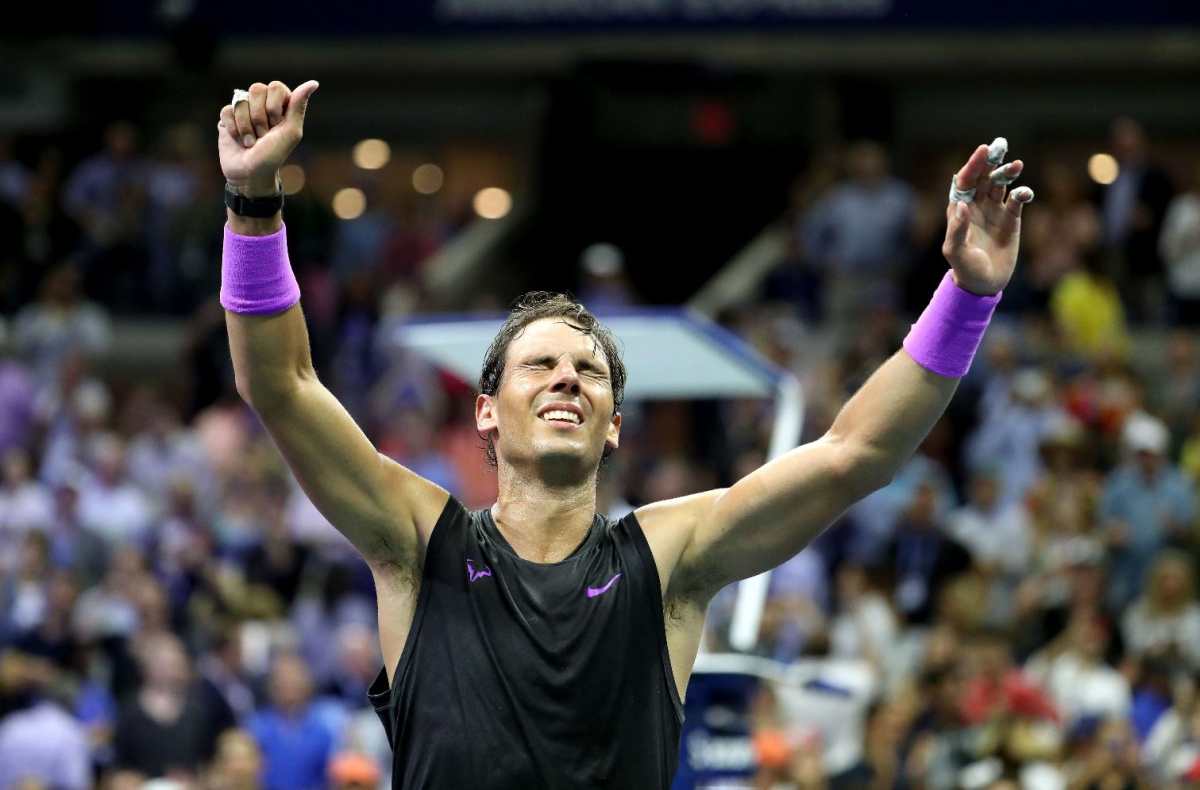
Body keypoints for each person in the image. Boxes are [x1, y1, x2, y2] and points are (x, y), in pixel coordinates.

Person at [215, 79, 1034, 788]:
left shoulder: (669, 560)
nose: (567, 377)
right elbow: (281, 386)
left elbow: (856, 453)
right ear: (486, 410)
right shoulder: (418, 542)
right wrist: (252, 200)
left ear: (613, 428)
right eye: (540, 365)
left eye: (589, 370)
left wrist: (967, 296)